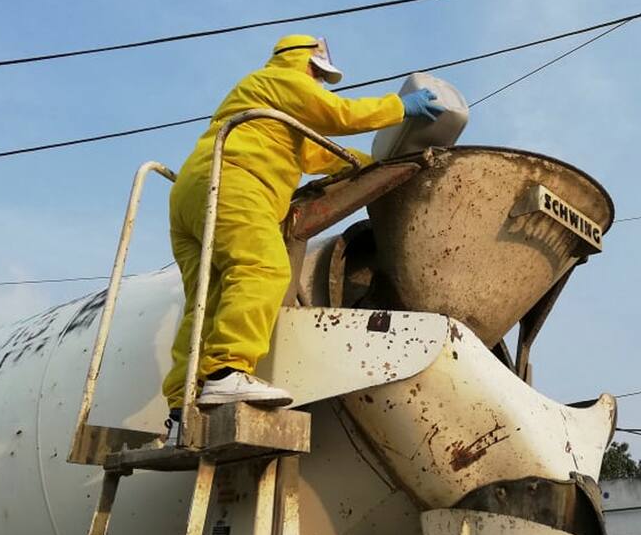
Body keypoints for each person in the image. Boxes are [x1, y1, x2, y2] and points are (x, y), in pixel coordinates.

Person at [162, 34, 444, 425]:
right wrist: (400, 107)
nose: (320, 83)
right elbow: (338, 114)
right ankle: (226, 370)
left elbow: (317, 153)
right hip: (236, 181)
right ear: (303, 62)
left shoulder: (271, 110)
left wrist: (372, 165)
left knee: (207, 298)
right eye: (319, 74)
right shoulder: (281, 78)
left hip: (194, 189)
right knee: (263, 268)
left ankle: (182, 398)